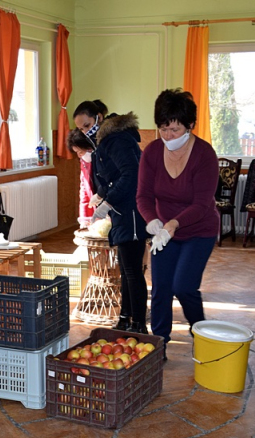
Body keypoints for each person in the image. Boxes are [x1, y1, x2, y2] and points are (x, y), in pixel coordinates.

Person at [136, 89, 219, 356]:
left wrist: (172, 224)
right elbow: (143, 195)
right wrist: (152, 222)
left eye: (174, 129)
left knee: (183, 286)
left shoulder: (205, 155)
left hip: (198, 230)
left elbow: (201, 204)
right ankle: (158, 346)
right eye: (163, 129)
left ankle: (202, 333)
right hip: (164, 231)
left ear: (190, 125)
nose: (168, 136)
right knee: (160, 289)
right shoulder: (151, 152)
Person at [73, 100, 149, 334]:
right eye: (82, 129)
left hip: (132, 213)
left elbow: (132, 175)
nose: (86, 132)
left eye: (87, 125)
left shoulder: (117, 139)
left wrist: (107, 202)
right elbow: (110, 177)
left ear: (98, 117)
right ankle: (126, 318)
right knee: (126, 270)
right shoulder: (104, 142)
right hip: (122, 213)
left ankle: (138, 325)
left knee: (133, 272)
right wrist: (100, 193)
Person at [66, 128, 95, 228]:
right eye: (76, 153)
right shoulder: (84, 162)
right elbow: (84, 191)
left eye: (80, 152)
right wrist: (84, 218)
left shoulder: (103, 159)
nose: (79, 156)